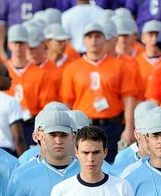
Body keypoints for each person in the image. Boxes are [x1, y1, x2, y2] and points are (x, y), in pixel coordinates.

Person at [59, 22, 138, 161]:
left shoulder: (120, 66)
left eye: (97, 36)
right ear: (84, 40)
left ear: (104, 39)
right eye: (89, 37)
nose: (93, 40)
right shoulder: (72, 68)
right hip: (83, 126)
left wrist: (129, 127)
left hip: (112, 125)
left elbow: (128, 98)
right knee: (84, 164)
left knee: (113, 165)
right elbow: (67, 103)